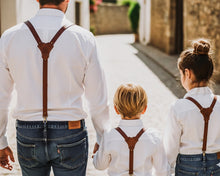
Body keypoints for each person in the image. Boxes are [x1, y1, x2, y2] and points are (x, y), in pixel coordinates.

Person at [0, 0, 110, 175]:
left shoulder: (9, 37)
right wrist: (103, 135)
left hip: (28, 132)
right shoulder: (84, 38)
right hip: (70, 131)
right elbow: (97, 96)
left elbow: (2, 96)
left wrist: (1, 140)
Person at [164, 39, 220, 175]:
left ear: (187, 73)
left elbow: (170, 150)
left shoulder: (178, 108)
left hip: (186, 169)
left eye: (181, 74)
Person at [93, 83, 169, 176]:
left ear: (116, 109)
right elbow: (162, 171)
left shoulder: (109, 136)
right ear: (144, 109)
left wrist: (96, 153)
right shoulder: (154, 137)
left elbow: (100, 166)